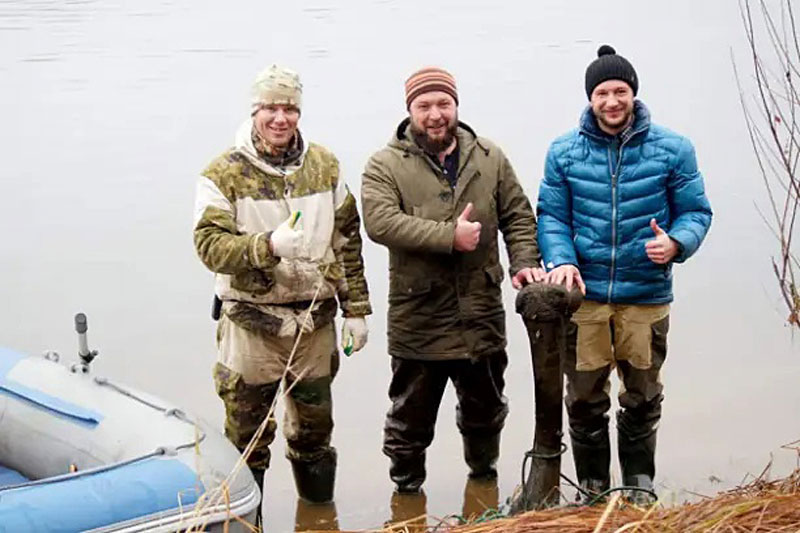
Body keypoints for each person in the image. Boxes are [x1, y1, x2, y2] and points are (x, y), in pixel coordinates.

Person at [192, 65, 372, 519]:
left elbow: (347, 239)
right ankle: (244, 522)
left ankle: (317, 518)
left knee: (314, 433)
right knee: (247, 438)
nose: (280, 117)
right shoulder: (222, 173)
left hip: (314, 324)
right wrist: (266, 246)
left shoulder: (325, 166)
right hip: (251, 325)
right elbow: (209, 246)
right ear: (255, 111)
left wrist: (357, 311)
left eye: (289, 108)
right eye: (271, 107)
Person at [537, 45, 712, 503]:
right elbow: (551, 218)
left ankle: (639, 483)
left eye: (620, 91)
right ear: (590, 98)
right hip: (585, 297)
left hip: (646, 295)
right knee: (584, 398)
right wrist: (563, 261)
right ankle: (593, 486)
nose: (612, 101)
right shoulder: (564, 152)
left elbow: (695, 212)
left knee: (642, 396)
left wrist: (676, 242)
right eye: (602, 92)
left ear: (633, 92)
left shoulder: (673, 149)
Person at [361, 66, 544, 494]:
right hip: (418, 315)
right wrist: (449, 236)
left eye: (444, 103)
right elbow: (381, 222)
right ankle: (406, 493)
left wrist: (524, 261)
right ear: (410, 111)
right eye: (424, 106)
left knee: (486, 410)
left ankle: (484, 486)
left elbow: (518, 214)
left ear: (456, 106)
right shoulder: (384, 164)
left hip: (480, 311)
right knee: (409, 421)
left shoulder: (488, 156)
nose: (435, 114)